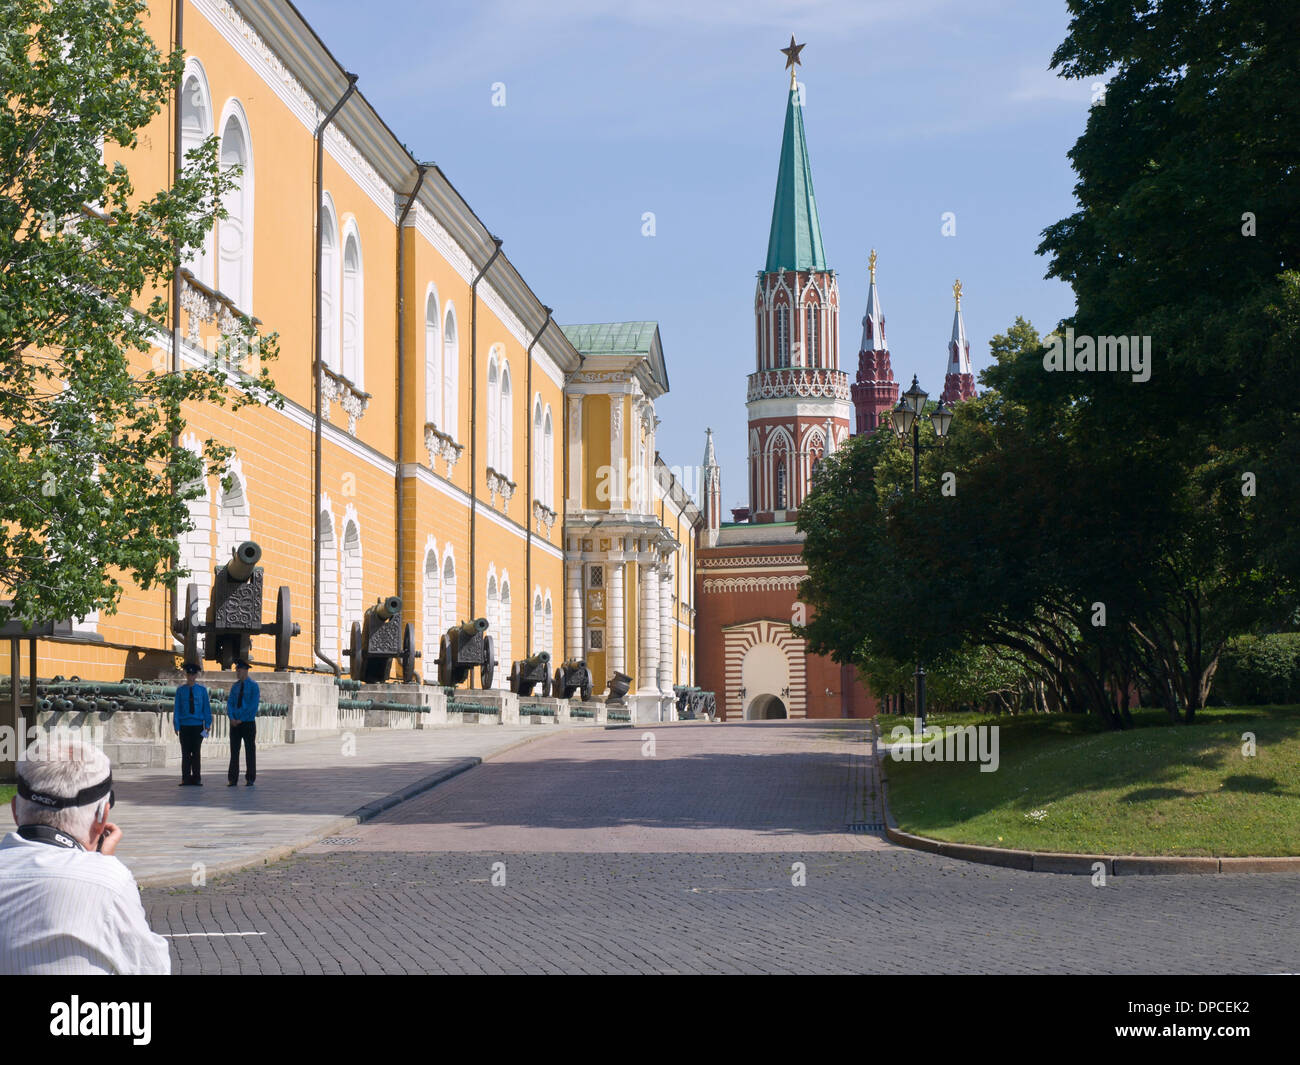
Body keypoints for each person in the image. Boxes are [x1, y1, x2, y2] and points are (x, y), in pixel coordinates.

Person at [0, 736, 171, 974]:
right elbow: (152, 968)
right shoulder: (109, 882)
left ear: (15, 810)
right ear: (102, 817)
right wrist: (103, 865)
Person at [173, 662, 211, 786]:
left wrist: (208, 724)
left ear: (196, 676)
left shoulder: (202, 691)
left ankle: (196, 778)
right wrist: (176, 724)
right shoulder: (180, 691)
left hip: (197, 726)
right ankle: (185, 778)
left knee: (196, 752)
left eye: (193, 674)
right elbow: (177, 708)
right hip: (184, 726)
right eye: (189, 674)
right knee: (185, 753)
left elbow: (206, 708)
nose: (191, 677)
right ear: (186, 675)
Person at [227, 659, 259, 787]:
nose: (237, 672)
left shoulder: (253, 686)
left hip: (247, 723)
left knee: (250, 751)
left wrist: (242, 719)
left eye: (239, 670)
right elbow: (230, 703)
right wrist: (232, 718)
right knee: (234, 751)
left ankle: (250, 778)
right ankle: (232, 778)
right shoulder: (235, 687)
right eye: (236, 670)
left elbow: (253, 706)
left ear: (245, 670)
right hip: (235, 723)